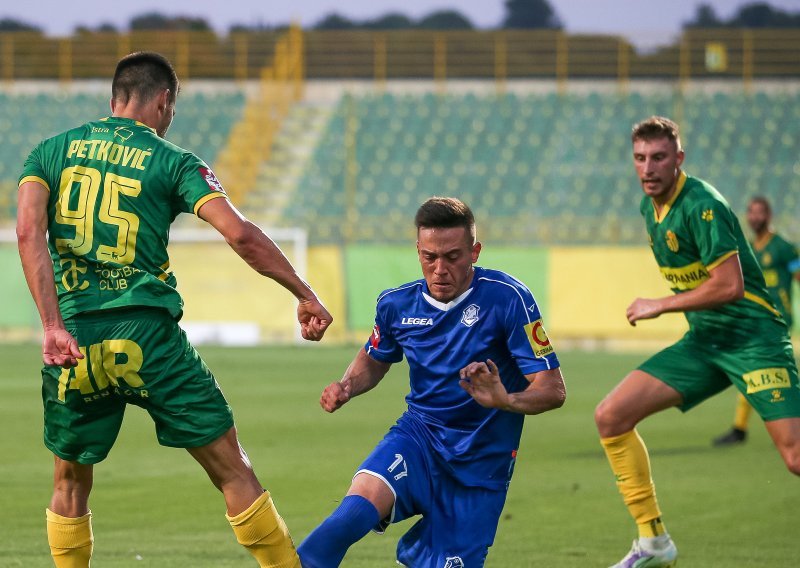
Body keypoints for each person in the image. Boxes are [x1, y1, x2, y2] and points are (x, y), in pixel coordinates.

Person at [16, 51, 332, 568]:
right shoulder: (174, 160)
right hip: (149, 338)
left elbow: (29, 231)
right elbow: (241, 235)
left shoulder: (48, 153)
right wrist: (303, 293)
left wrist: (51, 325)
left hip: (74, 342)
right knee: (232, 469)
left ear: (115, 97)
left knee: (69, 481)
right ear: (163, 102)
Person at [296, 197, 566, 567]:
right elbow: (375, 358)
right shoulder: (396, 304)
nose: (440, 269)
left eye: (453, 257)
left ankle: (423, 551)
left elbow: (553, 389)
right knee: (349, 516)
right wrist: (347, 386)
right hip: (419, 439)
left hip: (480, 466)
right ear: (418, 251)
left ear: (475, 252)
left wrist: (506, 400)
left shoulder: (509, 299)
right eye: (429, 257)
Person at [594, 116, 800, 568]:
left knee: (794, 456)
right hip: (705, 341)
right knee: (611, 415)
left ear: (679, 159)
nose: (648, 168)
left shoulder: (703, 204)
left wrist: (658, 305)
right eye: (640, 159)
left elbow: (729, 287)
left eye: (659, 158)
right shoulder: (649, 209)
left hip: (753, 340)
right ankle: (653, 542)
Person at [713, 196, 800, 446]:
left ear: (769, 215)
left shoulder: (784, 247)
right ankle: (740, 428)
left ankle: (741, 428)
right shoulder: (748, 248)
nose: (754, 217)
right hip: (754, 318)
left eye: (759, 212)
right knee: (761, 372)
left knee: (758, 371)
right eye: (751, 212)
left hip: (776, 318)